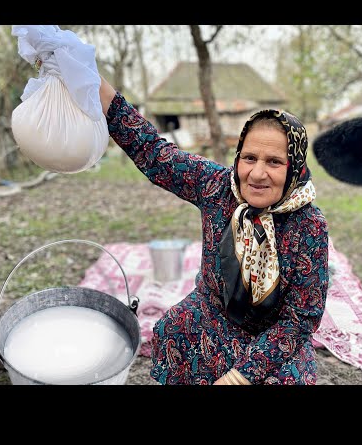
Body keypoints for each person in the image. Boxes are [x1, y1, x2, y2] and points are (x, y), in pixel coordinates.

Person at [99, 76, 329, 385]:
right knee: (173, 327)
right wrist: (91, 81)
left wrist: (241, 376)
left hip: (272, 337)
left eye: (274, 162)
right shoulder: (217, 186)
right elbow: (154, 153)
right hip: (212, 313)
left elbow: (300, 319)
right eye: (249, 158)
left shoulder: (309, 225)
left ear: (295, 168)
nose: (257, 173)